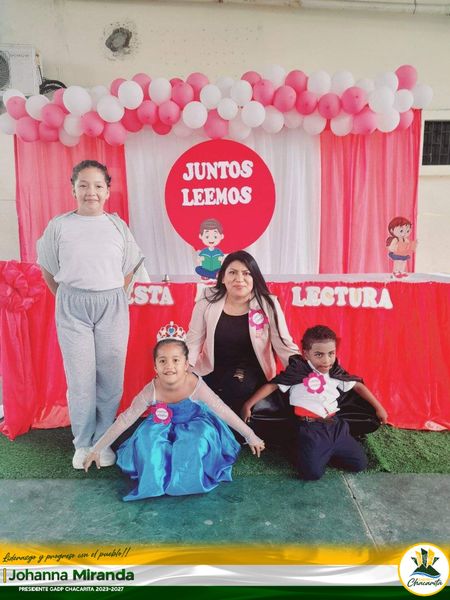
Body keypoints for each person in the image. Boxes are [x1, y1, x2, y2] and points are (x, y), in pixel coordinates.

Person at [37, 160, 145, 470]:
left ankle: (103, 440)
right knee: (80, 378)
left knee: (111, 376)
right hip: (72, 305)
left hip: (112, 304)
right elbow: (48, 268)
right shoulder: (59, 226)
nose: (91, 192)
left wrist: (112, 297)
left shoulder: (117, 226)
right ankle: (83, 443)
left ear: (108, 191)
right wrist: (67, 298)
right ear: (73, 189)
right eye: (83, 185)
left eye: (98, 186)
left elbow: (129, 268)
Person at [83, 337, 265, 500]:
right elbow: (126, 419)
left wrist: (250, 435)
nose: (169, 366)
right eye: (162, 361)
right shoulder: (151, 390)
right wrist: (97, 448)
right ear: (155, 367)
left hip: (194, 422)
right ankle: (156, 481)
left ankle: (185, 481)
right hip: (161, 424)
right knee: (148, 443)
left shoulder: (195, 384)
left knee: (195, 443)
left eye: (176, 360)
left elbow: (222, 410)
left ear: (186, 364)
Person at [241, 325, 388, 480]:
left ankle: (326, 451)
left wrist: (380, 408)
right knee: (312, 474)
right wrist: (248, 405)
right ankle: (300, 448)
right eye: (319, 355)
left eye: (331, 353)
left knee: (359, 464)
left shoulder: (335, 371)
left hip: (336, 426)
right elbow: (272, 386)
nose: (326, 360)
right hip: (310, 429)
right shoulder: (297, 372)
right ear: (306, 354)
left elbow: (357, 385)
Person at [186, 250, 299, 440]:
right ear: (223, 277)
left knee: (235, 388)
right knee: (195, 393)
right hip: (214, 366)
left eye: (246, 273)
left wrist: (301, 368)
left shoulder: (267, 303)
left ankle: (231, 434)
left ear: (254, 278)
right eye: (232, 272)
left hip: (250, 369)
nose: (239, 279)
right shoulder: (207, 299)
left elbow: (283, 342)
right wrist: (185, 368)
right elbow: (194, 339)